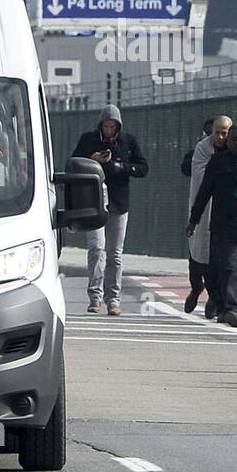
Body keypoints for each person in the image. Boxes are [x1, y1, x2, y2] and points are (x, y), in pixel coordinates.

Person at [72, 105, 148, 316]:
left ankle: (113, 298)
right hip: (93, 201)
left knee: (114, 253)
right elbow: (73, 162)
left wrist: (121, 166)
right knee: (96, 248)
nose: (108, 130)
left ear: (118, 127)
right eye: (105, 126)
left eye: (112, 126)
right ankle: (95, 297)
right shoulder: (88, 139)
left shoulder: (128, 141)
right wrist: (92, 160)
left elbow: (143, 167)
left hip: (119, 201)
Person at [188, 125, 237, 327]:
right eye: (234, 139)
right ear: (228, 141)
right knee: (228, 267)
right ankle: (231, 308)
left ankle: (233, 306)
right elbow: (205, 192)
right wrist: (194, 220)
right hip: (225, 226)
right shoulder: (217, 162)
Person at [186, 116, 231, 317]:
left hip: (227, 212)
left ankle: (218, 299)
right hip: (203, 211)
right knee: (198, 257)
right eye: (217, 132)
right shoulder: (202, 149)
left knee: (223, 260)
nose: (221, 137)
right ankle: (197, 288)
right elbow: (200, 175)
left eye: (225, 132)